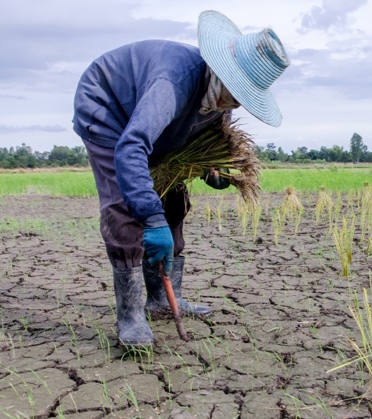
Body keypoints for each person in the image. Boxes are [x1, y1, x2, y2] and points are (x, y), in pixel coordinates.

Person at [72, 10, 289, 347]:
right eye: (233, 90)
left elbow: (188, 142)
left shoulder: (221, 102)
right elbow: (131, 146)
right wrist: (150, 217)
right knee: (125, 206)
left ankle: (162, 300)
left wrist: (209, 171)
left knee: (173, 202)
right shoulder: (173, 82)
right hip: (108, 109)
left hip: (151, 128)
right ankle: (130, 316)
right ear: (219, 70)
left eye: (242, 97)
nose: (232, 103)